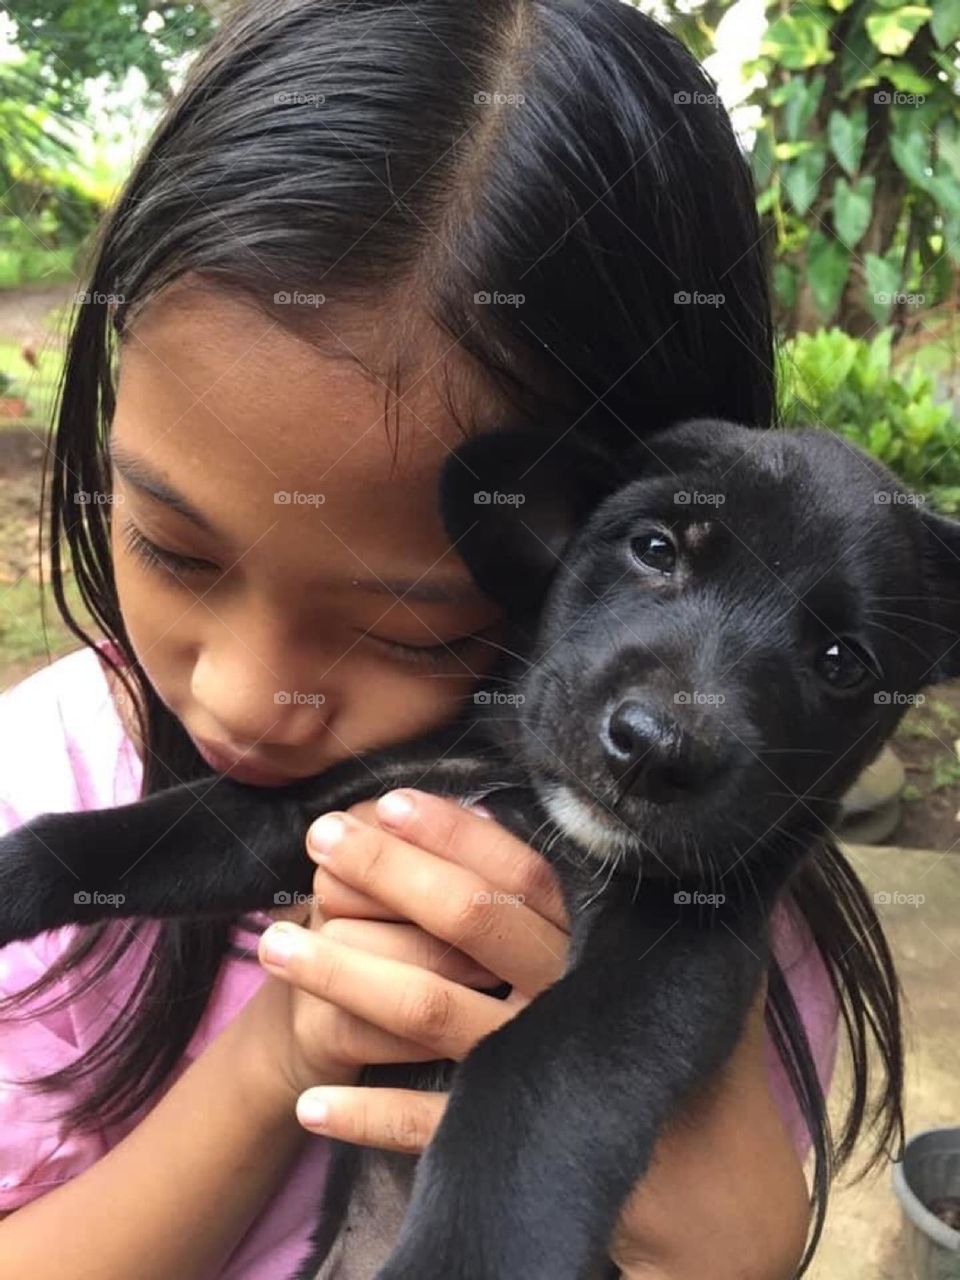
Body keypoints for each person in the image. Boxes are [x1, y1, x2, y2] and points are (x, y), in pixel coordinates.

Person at [0, 2, 901, 1277]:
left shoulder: (745, 941)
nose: (253, 703)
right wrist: (271, 1053)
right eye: (174, 548)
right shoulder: (55, 762)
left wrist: (742, 1255)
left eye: (411, 626)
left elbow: (636, 1033)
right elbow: (256, 830)